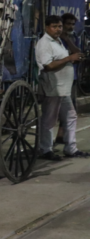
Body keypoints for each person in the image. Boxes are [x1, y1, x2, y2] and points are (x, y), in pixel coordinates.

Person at [36, 15, 86, 160]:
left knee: (70, 116)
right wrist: (69, 59)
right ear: (46, 27)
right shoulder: (44, 43)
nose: (58, 29)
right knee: (49, 119)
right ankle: (45, 150)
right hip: (53, 87)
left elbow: (73, 54)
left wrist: (67, 42)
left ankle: (71, 148)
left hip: (63, 89)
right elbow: (48, 65)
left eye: (60, 27)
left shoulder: (58, 41)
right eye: (54, 27)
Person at [57, 13, 80, 143]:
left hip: (72, 76)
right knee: (59, 109)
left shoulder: (73, 37)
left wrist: (67, 39)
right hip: (59, 76)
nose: (70, 27)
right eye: (68, 24)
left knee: (71, 108)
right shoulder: (55, 39)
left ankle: (62, 135)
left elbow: (77, 53)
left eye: (72, 24)